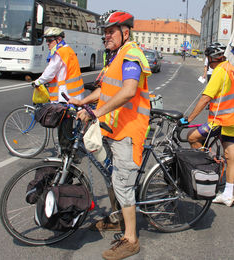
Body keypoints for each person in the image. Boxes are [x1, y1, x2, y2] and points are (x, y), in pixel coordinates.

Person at [69, 10, 151, 259]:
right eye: (104, 32)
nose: (106, 36)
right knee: (112, 176)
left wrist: (96, 112)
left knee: (123, 184)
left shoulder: (131, 55)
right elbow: (105, 89)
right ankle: (116, 219)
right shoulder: (115, 57)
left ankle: (131, 239)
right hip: (113, 128)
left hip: (129, 130)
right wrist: (82, 102)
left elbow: (128, 91)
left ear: (125, 32)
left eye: (111, 31)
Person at [181, 42, 234, 207]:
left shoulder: (220, 72)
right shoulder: (233, 70)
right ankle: (228, 194)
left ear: (212, 59)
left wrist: (189, 119)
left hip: (222, 120)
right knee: (230, 157)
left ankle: (207, 168)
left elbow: (206, 98)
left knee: (192, 136)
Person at [32, 27, 84, 103]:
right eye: (46, 40)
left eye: (50, 40)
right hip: (75, 91)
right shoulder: (67, 49)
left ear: (59, 40)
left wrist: (38, 82)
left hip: (65, 92)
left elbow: (49, 72)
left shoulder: (59, 52)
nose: (47, 43)